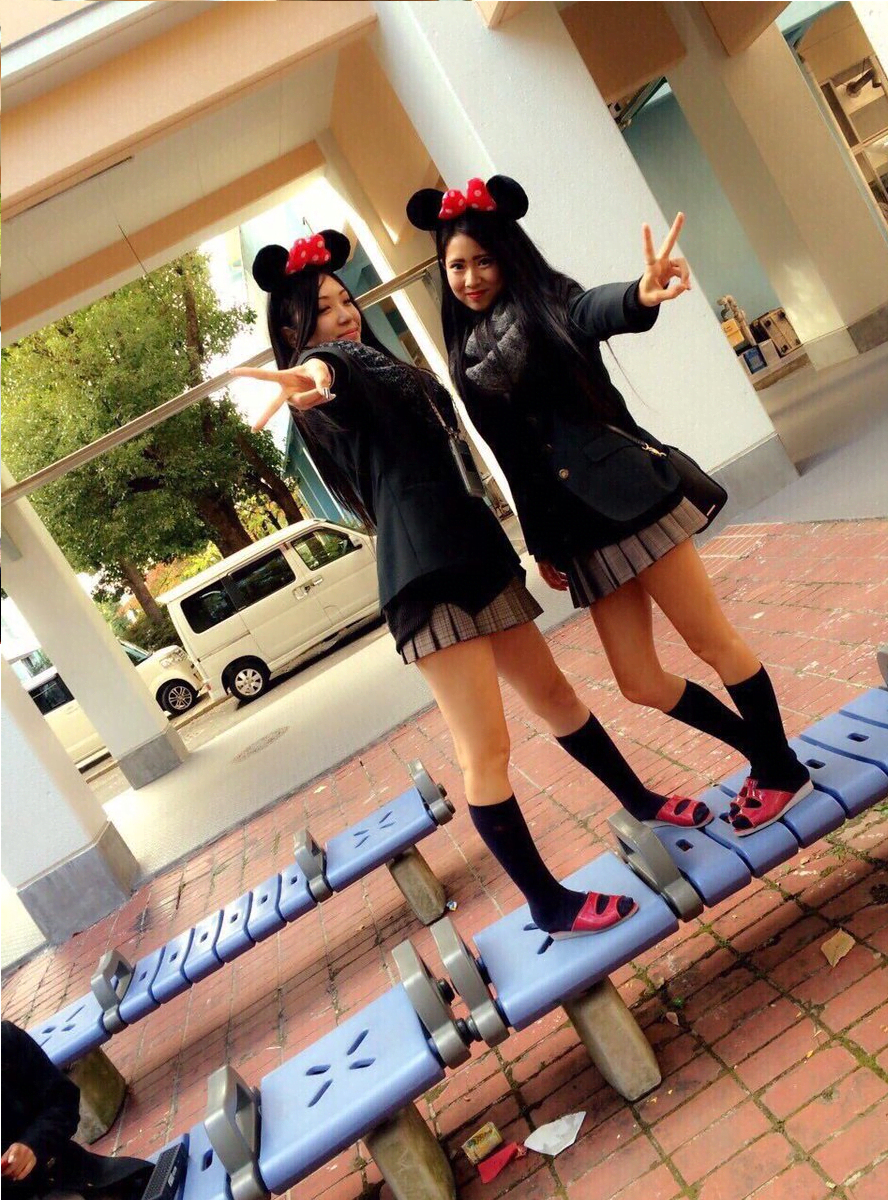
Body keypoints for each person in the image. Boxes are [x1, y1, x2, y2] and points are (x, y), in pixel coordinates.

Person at [233, 231, 709, 936]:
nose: (343, 316)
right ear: (294, 331)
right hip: (429, 581)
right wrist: (316, 378)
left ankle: (640, 799)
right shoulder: (335, 371)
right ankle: (548, 904)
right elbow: (331, 380)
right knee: (486, 751)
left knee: (557, 697)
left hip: (479, 557)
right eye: (323, 310)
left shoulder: (384, 364)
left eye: (344, 301)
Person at [407, 176, 812, 836]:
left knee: (711, 640)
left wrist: (640, 294)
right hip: (579, 533)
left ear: (507, 255)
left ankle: (781, 769)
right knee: (638, 680)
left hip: (633, 500)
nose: (471, 277)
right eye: (457, 266)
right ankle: (765, 754)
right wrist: (541, 541)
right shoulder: (467, 357)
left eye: (483, 260)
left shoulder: (548, 302)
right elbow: (513, 458)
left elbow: (594, 311)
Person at [1, 1020, 151, 1200]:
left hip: (69, 1174)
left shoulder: (6, 1042)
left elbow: (63, 1100)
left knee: (156, 1182)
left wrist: (32, 1144)